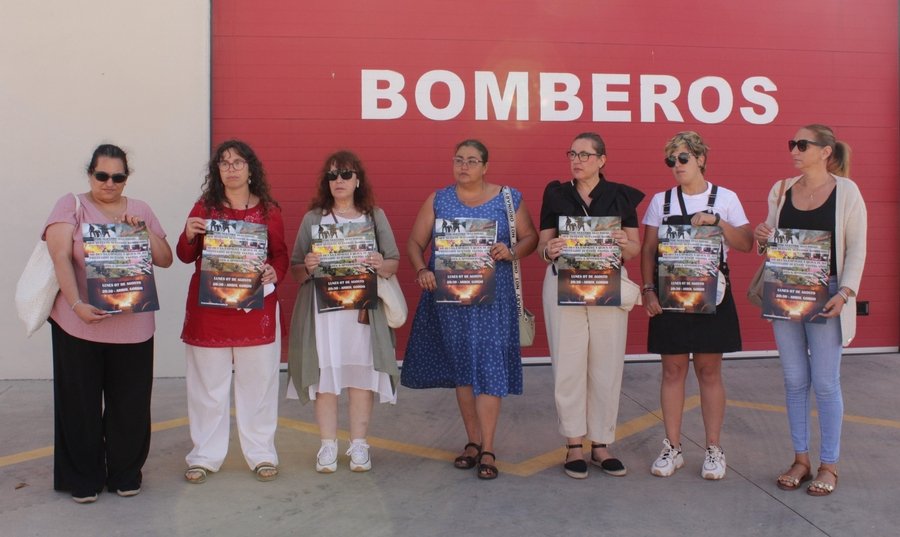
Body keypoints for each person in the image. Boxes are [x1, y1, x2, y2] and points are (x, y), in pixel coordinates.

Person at [43, 144, 173, 502]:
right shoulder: (71, 205)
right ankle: (83, 476)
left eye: (118, 177)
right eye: (102, 175)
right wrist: (75, 304)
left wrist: (143, 232)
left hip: (134, 326)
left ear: (126, 178)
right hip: (79, 322)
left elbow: (166, 259)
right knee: (79, 403)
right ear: (90, 174)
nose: (110, 183)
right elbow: (59, 257)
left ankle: (126, 473)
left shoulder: (140, 209)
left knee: (129, 406)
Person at [401, 139, 538, 480]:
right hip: (451, 301)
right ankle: (472, 443)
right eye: (459, 160)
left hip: (494, 300)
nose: (464, 166)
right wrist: (422, 270)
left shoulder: (508, 197)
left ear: (485, 166)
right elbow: (415, 243)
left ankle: (488, 447)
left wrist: (512, 251)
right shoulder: (439, 199)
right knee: (463, 368)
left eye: (472, 161)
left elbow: (531, 237)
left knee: (489, 367)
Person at [753, 125, 866, 496]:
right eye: (792, 144)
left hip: (827, 294)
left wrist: (846, 291)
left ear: (825, 151)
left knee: (826, 383)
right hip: (785, 289)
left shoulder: (846, 192)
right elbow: (770, 238)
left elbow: (857, 247)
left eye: (802, 145)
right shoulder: (781, 189)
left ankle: (829, 465)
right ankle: (800, 460)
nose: (794, 151)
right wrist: (762, 236)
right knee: (794, 380)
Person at [640, 131, 753, 480]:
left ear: (701, 158)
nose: (677, 165)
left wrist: (718, 222)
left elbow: (748, 243)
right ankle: (672, 448)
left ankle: (714, 449)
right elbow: (647, 250)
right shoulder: (662, 201)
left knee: (708, 372)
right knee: (672, 372)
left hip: (712, 297)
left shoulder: (726, 198)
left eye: (683, 158)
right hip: (671, 297)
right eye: (671, 160)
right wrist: (647, 290)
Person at [178, 140, 288, 484]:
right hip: (209, 312)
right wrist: (188, 234)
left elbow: (281, 256)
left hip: (256, 311)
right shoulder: (204, 206)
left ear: (251, 169)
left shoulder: (269, 210)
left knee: (259, 386)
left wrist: (274, 273)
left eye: (238, 163)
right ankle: (204, 456)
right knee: (207, 388)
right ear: (217, 171)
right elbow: (184, 255)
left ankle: (261, 454)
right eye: (224, 163)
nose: (231, 169)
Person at [538, 132, 645, 479]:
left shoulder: (620, 195)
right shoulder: (556, 193)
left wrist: (623, 242)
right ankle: (573, 445)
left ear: (602, 159)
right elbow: (542, 246)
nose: (577, 160)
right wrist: (549, 250)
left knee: (606, 364)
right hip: (564, 284)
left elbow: (634, 248)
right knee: (568, 365)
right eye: (573, 153)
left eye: (586, 154)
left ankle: (600, 444)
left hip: (606, 284)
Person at [287, 150, 400, 473]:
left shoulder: (374, 216)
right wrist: (306, 266)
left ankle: (359, 445)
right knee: (326, 378)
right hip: (324, 315)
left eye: (346, 174)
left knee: (362, 376)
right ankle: (327, 446)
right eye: (333, 176)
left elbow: (392, 261)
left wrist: (381, 263)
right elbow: (296, 268)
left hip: (363, 313)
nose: (339, 181)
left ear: (357, 180)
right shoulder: (314, 219)